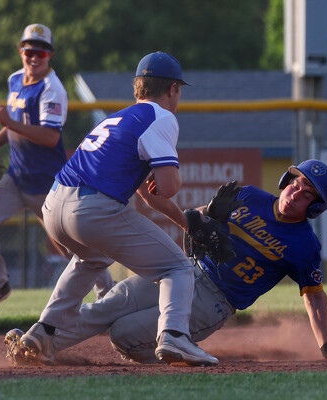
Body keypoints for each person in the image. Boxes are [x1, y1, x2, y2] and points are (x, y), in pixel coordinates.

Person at [5, 159, 327, 364]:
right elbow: (195, 218)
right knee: (110, 304)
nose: (296, 193)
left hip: (215, 302)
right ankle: (40, 346)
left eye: (307, 194)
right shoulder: (250, 196)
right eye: (296, 183)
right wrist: (207, 215)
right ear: (286, 182)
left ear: (315, 207)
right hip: (184, 273)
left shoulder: (304, 245)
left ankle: (182, 353)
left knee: (123, 334)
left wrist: (326, 346)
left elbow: (314, 297)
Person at [11, 51, 219, 367]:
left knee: (91, 258)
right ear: (173, 89)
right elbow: (168, 187)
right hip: (91, 209)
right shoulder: (161, 117)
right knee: (177, 268)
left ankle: (43, 333)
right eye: (178, 90)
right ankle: (175, 336)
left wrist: (186, 223)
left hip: (54, 204)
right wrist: (170, 177)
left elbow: (148, 195)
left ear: (138, 87)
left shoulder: (117, 118)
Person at [0, 23, 113, 321]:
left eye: (41, 52)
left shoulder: (52, 89)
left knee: (72, 249)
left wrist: (8, 121)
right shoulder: (15, 80)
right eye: (29, 51)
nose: (34, 57)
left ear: (50, 55)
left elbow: (50, 137)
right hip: (16, 178)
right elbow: (13, 126)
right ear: (20, 51)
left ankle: (109, 297)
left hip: (48, 185)